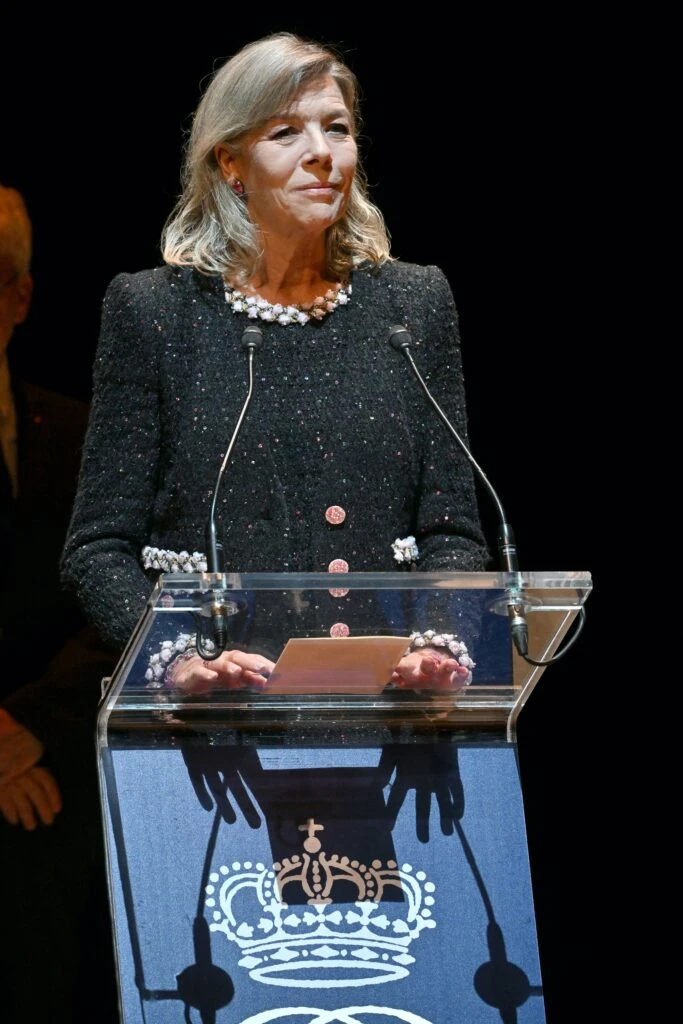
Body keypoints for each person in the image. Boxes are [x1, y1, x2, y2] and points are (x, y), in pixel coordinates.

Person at [60, 31, 492, 703]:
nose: (322, 152)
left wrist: (439, 644)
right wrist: (180, 661)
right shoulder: (155, 312)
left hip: (388, 711)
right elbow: (97, 549)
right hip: (218, 724)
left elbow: (452, 530)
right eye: (286, 132)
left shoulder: (412, 304)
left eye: (337, 128)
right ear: (231, 163)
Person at [0, 184, 119, 1023]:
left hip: (55, 784)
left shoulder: (84, 437)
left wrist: (28, 728)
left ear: (19, 296)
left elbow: (123, 604)